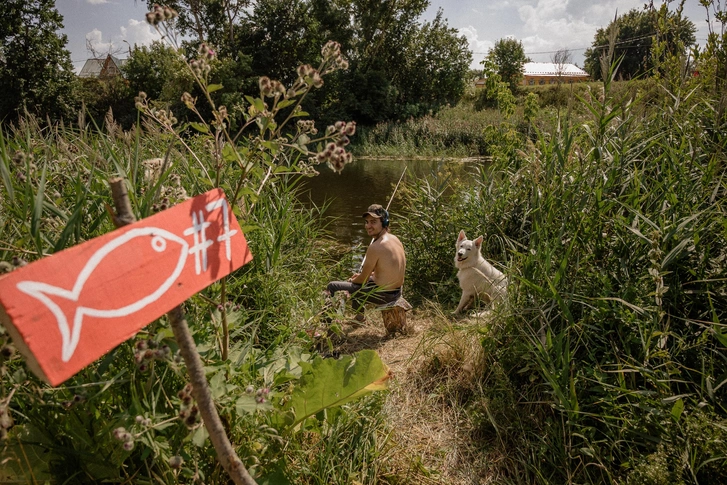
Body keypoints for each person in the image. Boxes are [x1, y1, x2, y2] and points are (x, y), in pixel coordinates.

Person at [326, 204, 406, 323]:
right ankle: (359, 318)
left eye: (373, 222)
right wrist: (369, 276)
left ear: (384, 222)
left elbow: (362, 279)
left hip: (385, 295)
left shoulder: (376, 247)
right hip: (396, 290)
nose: (368, 226)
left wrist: (354, 280)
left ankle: (327, 326)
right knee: (360, 281)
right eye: (367, 222)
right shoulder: (394, 239)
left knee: (333, 286)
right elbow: (388, 270)